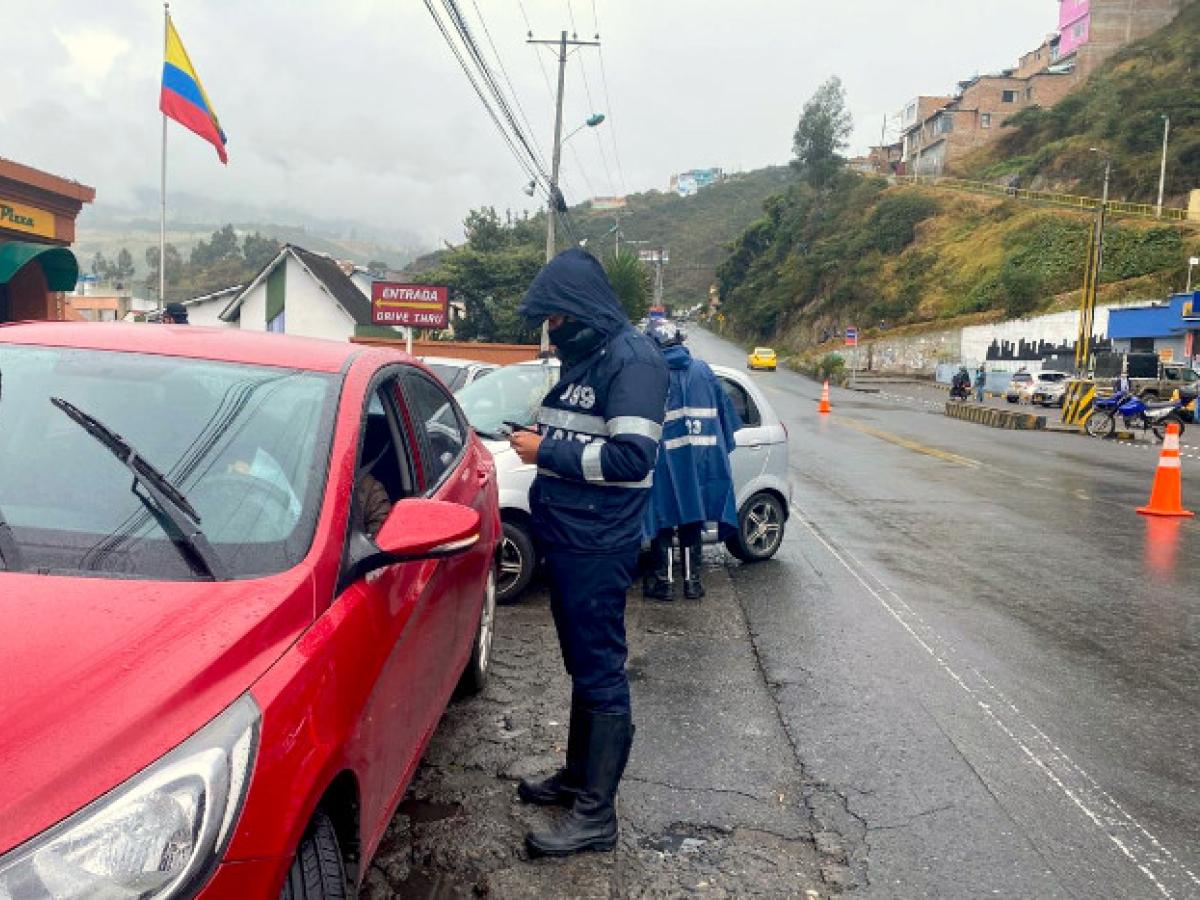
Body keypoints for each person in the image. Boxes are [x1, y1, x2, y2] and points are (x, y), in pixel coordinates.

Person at [507, 248, 668, 858]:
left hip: (599, 542)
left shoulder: (633, 361)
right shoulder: (590, 356)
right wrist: (541, 438)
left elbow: (632, 457)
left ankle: (596, 817)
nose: (551, 331)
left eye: (555, 318)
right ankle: (578, 779)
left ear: (578, 310)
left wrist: (545, 452)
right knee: (582, 664)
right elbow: (581, 431)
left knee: (599, 669)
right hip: (571, 535)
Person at [642, 322, 740, 601]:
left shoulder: (652, 375)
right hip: (702, 461)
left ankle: (664, 583)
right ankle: (692, 583)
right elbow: (725, 415)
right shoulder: (704, 371)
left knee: (663, 516)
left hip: (665, 462)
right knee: (692, 516)